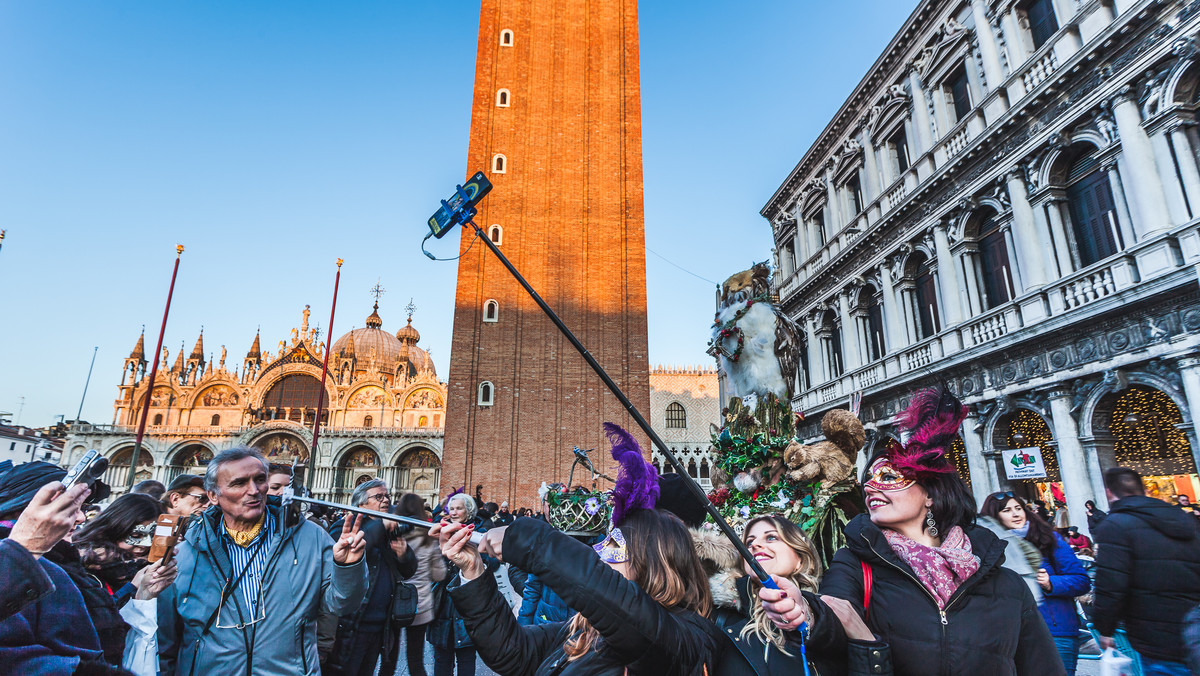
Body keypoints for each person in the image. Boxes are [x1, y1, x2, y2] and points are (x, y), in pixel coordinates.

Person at [778, 388, 1061, 676]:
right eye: (869, 481)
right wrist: (804, 610)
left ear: (930, 495)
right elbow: (831, 620)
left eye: (887, 477)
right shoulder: (853, 565)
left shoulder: (1006, 583)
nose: (871, 487)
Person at [157, 447, 368, 676]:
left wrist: (347, 567)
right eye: (239, 483)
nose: (254, 490)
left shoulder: (310, 537)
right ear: (213, 496)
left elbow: (342, 604)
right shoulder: (185, 553)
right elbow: (166, 641)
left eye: (259, 480)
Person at [710, 514, 889, 676]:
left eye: (771, 537)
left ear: (800, 559)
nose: (755, 545)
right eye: (749, 543)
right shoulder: (719, 617)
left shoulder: (828, 616)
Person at [0, 479, 119, 674]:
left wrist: (139, 594)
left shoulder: (67, 566)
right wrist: (24, 549)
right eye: (66, 507)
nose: (80, 517)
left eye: (83, 507)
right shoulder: (36, 566)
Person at [1092, 467, 1200, 675]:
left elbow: (1111, 584)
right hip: (1193, 626)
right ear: (1144, 489)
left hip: (1157, 636)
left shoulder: (1115, 525)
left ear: (1108, 492)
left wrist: (1105, 629)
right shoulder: (1183, 518)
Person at [981, 492, 1090, 675]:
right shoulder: (987, 547)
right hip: (1009, 635)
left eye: (1018, 508)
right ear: (994, 516)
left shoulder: (1048, 538)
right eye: (1007, 510)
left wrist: (1050, 583)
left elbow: (1082, 581)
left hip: (1055, 632)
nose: (1016, 514)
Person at [324, 479, 417, 676]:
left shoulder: (389, 530)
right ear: (361, 504)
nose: (386, 500)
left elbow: (409, 571)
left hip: (381, 625)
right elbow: (351, 548)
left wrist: (403, 554)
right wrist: (382, 524)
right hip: (350, 625)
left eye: (387, 496)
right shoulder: (345, 527)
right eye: (379, 496)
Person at [428, 491, 488, 676]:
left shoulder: (480, 533)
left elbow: (491, 563)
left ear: (468, 511)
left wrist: (473, 557)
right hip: (443, 605)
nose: (454, 512)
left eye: (458, 508)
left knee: (466, 659)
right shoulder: (440, 531)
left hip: (469, 604)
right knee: (441, 661)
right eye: (451, 508)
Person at [393, 492, 447, 676]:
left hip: (392, 603)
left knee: (388, 658)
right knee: (415, 658)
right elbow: (439, 574)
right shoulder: (428, 537)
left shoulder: (391, 534)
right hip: (419, 604)